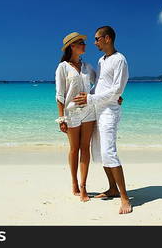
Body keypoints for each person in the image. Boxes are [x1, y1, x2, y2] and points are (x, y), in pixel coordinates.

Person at [73, 26, 132, 214]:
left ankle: (124, 198)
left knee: (109, 152)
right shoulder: (101, 60)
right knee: (99, 151)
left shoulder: (119, 60)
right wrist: (89, 95)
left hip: (109, 112)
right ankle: (112, 188)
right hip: (97, 110)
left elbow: (116, 90)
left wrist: (91, 98)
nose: (94, 42)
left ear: (107, 38)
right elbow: (100, 85)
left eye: (97, 39)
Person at [55, 32, 96, 202]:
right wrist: (62, 118)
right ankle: (74, 183)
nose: (85, 45)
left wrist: (114, 96)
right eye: (81, 43)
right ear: (72, 46)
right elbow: (60, 95)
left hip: (89, 111)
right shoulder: (63, 67)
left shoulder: (87, 67)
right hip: (71, 113)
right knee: (74, 149)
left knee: (85, 148)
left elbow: (100, 84)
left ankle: (84, 186)